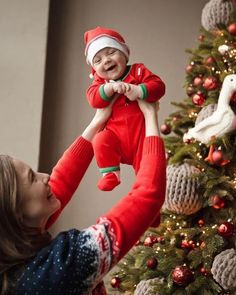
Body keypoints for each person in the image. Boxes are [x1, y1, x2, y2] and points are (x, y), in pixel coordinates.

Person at [0, 98, 166, 295]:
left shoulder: (15, 269)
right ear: (15, 212)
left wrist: (99, 121)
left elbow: (60, 184)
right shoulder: (63, 267)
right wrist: (150, 117)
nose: (45, 177)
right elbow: (147, 196)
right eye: (32, 178)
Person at [84, 26, 166, 192]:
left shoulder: (138, 71)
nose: (106, 60)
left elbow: (159, 87)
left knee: (148, 173)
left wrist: (139, 90)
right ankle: (111, 173)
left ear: (124, 54)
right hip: (115, 138)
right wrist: (109, 89)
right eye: (98, 60)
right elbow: (93, 99)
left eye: (111, 52)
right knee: (100, 140)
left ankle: (144, 187)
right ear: (95, 70)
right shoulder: (101, 84)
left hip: (141, 138)